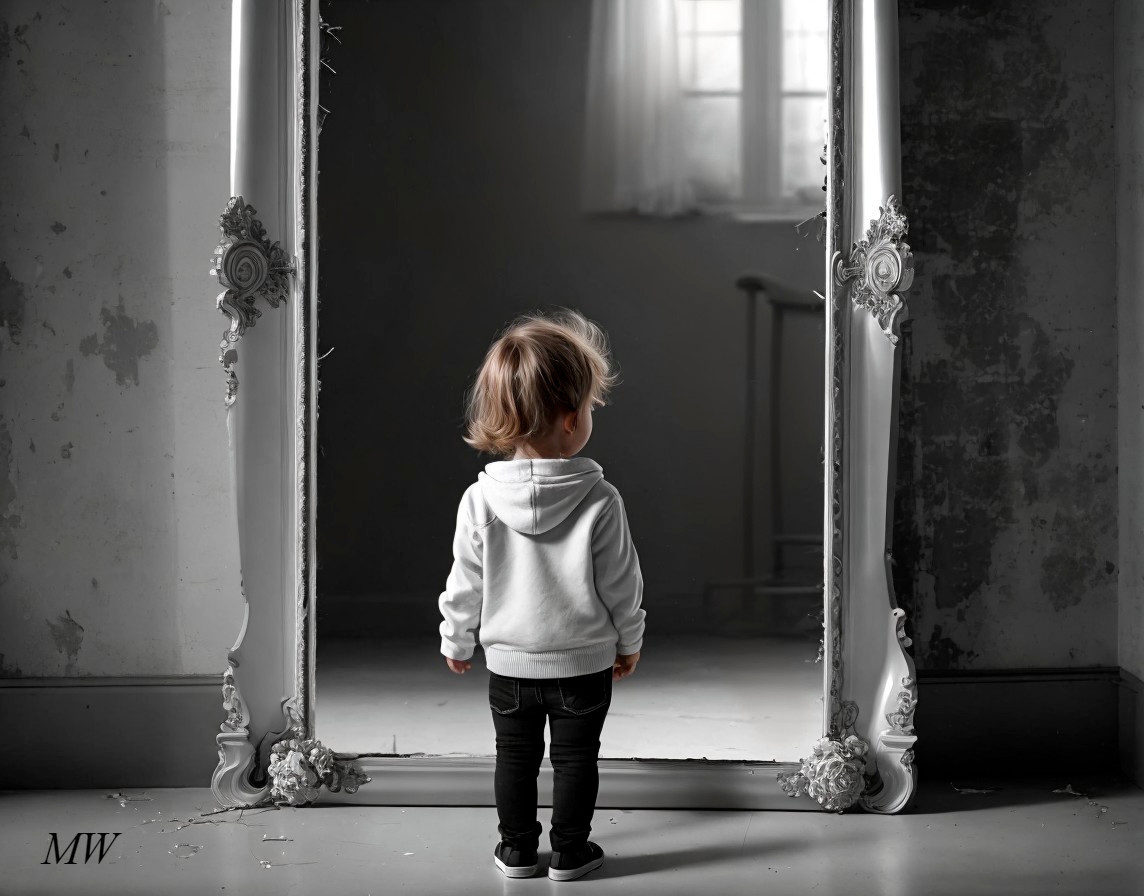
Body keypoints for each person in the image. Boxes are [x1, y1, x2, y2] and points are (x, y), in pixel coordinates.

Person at [438, 309, 646, 882]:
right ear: (571, 417)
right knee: (576, 759)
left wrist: (456, 639)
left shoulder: (478, 501)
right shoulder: (601, 499)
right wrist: (629, 641)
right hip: (582, 663)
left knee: (515, 757)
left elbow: (465, 582)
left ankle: (516, 852)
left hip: (509, 664)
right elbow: (621, 584)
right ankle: (572, 852)